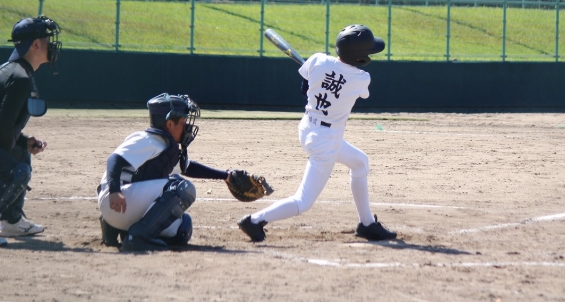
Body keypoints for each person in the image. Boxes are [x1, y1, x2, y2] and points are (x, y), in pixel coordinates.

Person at [238, 24, 397, 242]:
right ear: (359, 57)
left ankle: (367, 224)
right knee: (303, 201)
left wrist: (320, 79)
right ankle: (255, 220)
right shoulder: (362, 78)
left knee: (360, 162)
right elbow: (343, 85)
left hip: (308, 128)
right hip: (326, 141)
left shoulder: (317, 60)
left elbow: (305, 85)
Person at [98, 92, 233, 252]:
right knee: (183, 188)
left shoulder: (165, 145)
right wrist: (115, 191)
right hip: (116, 199)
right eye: (183, 121)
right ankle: (138, 238)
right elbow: (114, 160)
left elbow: (187, 167)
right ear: (169, 124)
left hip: (124, 208)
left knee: (182, 229)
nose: (187, 127)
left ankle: (116, 229)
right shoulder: (146, 139)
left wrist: (226, 176)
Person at [0, 15, 61, 247]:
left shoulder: (14, 71)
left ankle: (12, 220)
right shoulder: (20, 78)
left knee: (21, 154)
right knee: (18, 171)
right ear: (35, 44)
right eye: (47, 39)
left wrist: (23, 142)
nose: (52, 45)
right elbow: (3, 130)